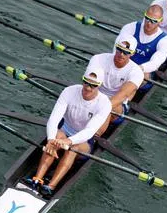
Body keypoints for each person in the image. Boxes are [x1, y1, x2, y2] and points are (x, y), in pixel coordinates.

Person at [20, 68, 112, 200]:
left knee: (72, 148)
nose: (88, 88)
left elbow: (89, 131)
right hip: (65, 129)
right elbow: (54, 118)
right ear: (83, 80)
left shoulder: (104, 104)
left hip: (84, 140)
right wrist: (51, 139)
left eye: (93, 85)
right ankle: (37, 180)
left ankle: (50, 187)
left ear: (99, 86)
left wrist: (68, 142)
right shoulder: (70, 91)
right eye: (86, 83)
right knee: (55, 137)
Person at [85, 40, 144, 134]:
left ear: (132, 54)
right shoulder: (98, 59)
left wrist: (96, 108)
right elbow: (89, 84)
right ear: (115, 48)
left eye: (126, 52)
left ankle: (93, 138)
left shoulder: (136, 72)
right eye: (119, 50)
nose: (121, 54)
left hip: (117, 105)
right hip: (94, 96)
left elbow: (122, 96)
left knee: (108, 109)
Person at [114, 3, 167, 80]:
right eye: (147, 18)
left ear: (160, 21)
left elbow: (155, 63)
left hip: (143, 71)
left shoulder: (164, 40)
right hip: (123, 64)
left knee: (142, 76)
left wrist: (137, 69)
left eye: (154, 21)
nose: (149, 23)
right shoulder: (131, 27)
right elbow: (116, 49)